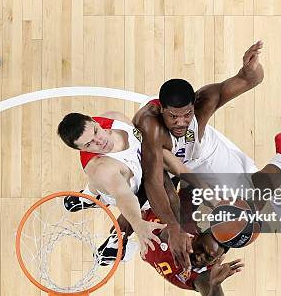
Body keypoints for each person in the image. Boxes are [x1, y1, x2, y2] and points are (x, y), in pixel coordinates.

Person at [133, 41, 281, 270]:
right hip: (164, 164)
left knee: (247, 210)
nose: (181, 122)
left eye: (186, 115)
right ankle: (128, 236)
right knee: (159, 205)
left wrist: (250, 69)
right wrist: (174, 228)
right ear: (161, 110)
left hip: (204, 157)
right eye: (174, 117)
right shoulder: (151, 126)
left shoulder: (203, 102)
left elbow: (249, 80)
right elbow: (153, 180)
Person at [57, 111, 186, 264]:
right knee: (150, 196)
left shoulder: (115, 118)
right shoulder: (102, 168)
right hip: (129, 189)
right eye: (89, 144)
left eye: (96, 132)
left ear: (95, 121)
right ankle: (114, 243)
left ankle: (90, 197)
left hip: (137, 170)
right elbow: (124, 196)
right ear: (81, 149)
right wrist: (138, 223)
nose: (99, 141)